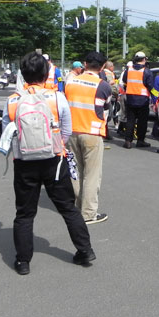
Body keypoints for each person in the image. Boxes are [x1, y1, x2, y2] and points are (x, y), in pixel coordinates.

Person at [2, 52, 96, 275]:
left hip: (25, 161)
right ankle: (85, 250)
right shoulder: (56, 98)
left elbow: (7, 132)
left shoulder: (14, 100)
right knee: (67, 208)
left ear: (23, 74)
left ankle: (23, 261)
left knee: (24, 213)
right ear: (47, 73)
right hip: (54, 160)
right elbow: (67, 129)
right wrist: (58, 146)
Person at [65, 51, 113, 225]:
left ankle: (76, 206)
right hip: (92, 132)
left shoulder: (70, 82)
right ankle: (88, 213)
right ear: (102, 67)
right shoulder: (103, 85)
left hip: (71, 131)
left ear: (85, 64)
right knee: (92, 175)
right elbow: (106, 108)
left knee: (75, 172)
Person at [121, 51, 154, 149]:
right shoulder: (146, 71)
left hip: (130, 98)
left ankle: (128, 141)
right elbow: (150, 87)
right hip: (142, 100)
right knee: (142, 121)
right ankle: (140, 140)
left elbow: (125, 81)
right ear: (144, 59)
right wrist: (157, 96)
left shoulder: (129, 70)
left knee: (130, 120)